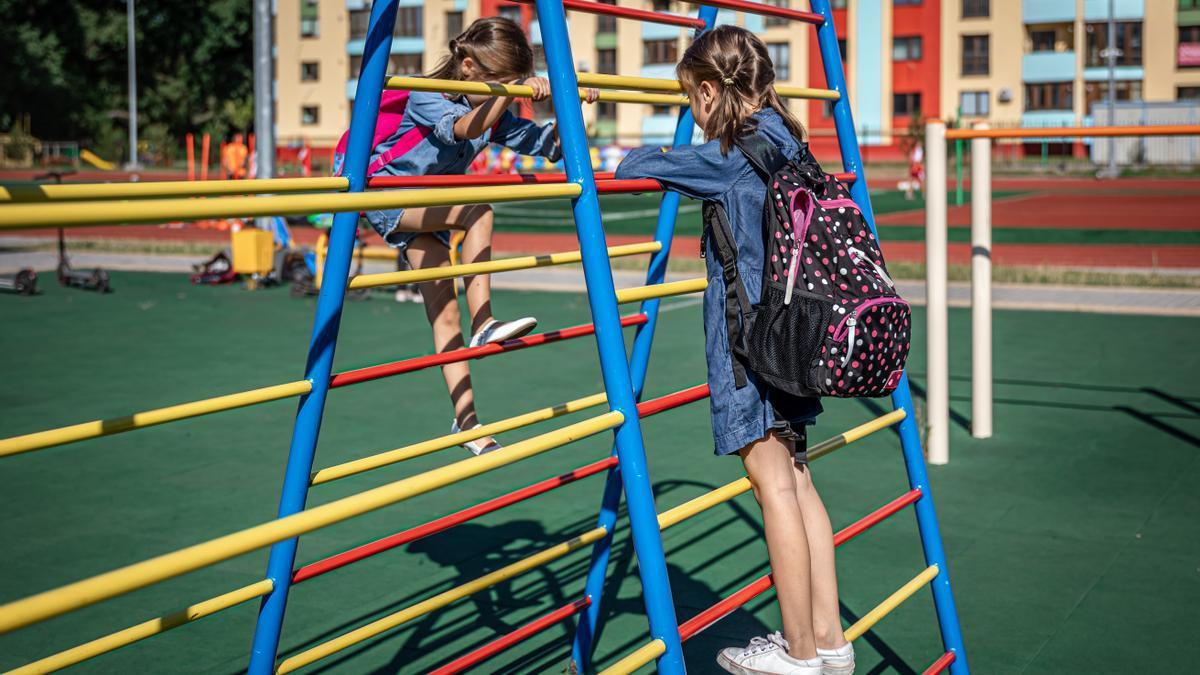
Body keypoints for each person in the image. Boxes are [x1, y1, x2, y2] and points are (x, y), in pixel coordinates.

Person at [615, 26, 854, 675]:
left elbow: (638, 166)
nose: (694, 111)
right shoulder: (787, 138)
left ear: (716, 90)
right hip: (800, 330)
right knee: (798, 477)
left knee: (770, 481)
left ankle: (798, 649)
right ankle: (828, 637)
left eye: (694, 97)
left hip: (752, 341)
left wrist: (602, 146)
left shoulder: (732, 157)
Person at [363, 17, 597, 455]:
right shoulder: (426, 94)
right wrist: (513, 91)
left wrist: (571, 103)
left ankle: (466, 423)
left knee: (442, 314)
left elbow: (552, 146)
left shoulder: (492, 111)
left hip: (430, 207)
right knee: (477, 211)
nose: (508, 95)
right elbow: (464, 128)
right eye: (500, 84)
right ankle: (485, 322)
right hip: (388, 195)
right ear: (467, 66)